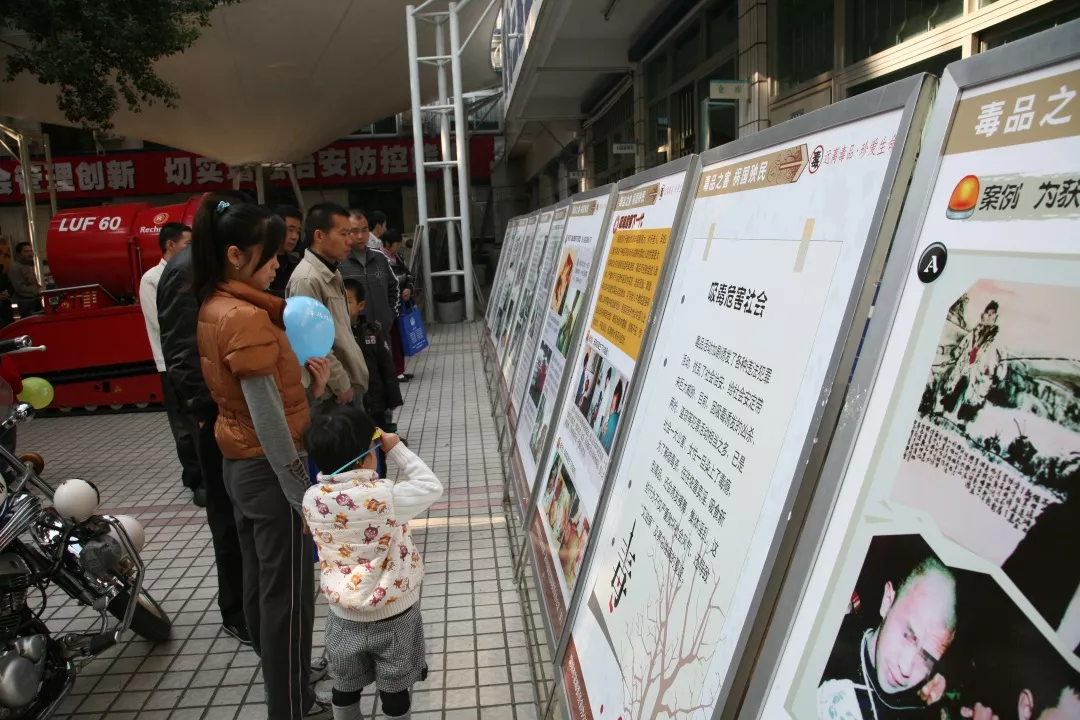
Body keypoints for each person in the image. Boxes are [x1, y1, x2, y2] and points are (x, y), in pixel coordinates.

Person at [192, 194, 334, 719]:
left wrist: (311, 390)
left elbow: (258, 402)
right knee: (289, 596)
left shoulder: (215, 305)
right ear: (236, 255)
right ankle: (293, 702)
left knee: (261, 585)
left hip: (241, 466)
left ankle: (284, 674)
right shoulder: (246, 318)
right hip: (271, 472)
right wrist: (300, 488)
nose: (278, 263)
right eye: (270, 254)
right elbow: (268, 418)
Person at [302, 404, 442, 720]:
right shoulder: (385, 497)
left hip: (343, 616)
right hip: (395, 614)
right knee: (395, 690)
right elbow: (431, 486)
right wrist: (396, 448)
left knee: (344, 685)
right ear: (365, 457)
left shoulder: (311, 498)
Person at [156, 196, 250, 650]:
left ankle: (251, 600)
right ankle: (236, 610)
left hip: (237, 411)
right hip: (217, 416)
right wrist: (210, 412)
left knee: (244, 512)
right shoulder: (187, 269)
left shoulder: (220, 262)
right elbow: (182, 354)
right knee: (227, 515)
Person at [818, 556, 957, 719]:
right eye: (907, 635)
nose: (905, 668)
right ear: (888, 602)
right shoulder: (825, 643)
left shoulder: (918, 712)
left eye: (927, 658)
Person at [140, 223, 204, 506]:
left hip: (195, 357)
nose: (191, 250)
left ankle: (206, 476)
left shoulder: (192, 272)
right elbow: (161, 323)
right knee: (183, 426)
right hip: (170, 362)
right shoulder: (152, 278)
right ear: (170, 245)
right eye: (187, 244)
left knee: (200, 422)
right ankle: (195, 479)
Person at [287, 203, 370, 404]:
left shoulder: (332, 272)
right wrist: (341, 385)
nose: (349, 241)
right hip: (331, 393)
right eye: (343, 234)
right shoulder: (307, 279)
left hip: (347, 384)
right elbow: (312, 343)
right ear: (319, 236)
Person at [343, 279, 403, 433]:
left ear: (361, 305)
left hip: (375, 400)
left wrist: (393, 398)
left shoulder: (372, 332)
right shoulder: (337, 335)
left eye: (348, 301)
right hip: (350, 401)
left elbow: (387, 367)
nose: (342, 306)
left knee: (378, 436)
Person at [381, 229, 413, 382]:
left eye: (399, 244)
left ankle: (400, 369)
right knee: (392, 338)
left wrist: (408, 288)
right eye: (396, 244)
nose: (398, 247)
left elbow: (409, 275)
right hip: (390, 305)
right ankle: (395, 371)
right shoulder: (380, 259)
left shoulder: (398, 257)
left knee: (400, 338)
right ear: (387, 243)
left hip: (402, 303)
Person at [270, 205, 304, 298]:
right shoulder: (261, 263)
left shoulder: (298, 264)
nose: (295, 237)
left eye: (298, 232)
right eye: (290, 230)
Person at [9, 242, 42, 318]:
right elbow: (19, 288)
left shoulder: (32, 265)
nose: (30, 254)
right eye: (26, 251)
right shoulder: (15, 268)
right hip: (24, 303)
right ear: (19, 254)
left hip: (36, 301)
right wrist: (37, 290)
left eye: (30, 251)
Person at [599, 380, 623, 452]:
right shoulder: (613, 417)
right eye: (611, 407)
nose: (610, 410)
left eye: (612, 407)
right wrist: (603, 432)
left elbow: (602, 444)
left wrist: (602, 434)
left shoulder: (614, 418)